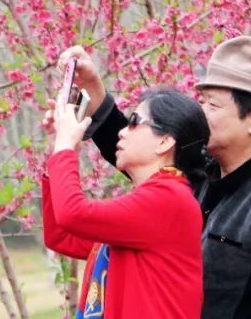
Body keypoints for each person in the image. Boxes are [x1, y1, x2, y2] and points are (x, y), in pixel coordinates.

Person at [62, 36, 251, 319]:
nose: (199, 113)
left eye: (212, 105)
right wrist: (95, 94)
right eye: (201, 101)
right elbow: (141, 151)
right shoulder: (200, 170)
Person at [41, 87, 210, 318]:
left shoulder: (170, 200)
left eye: (134, 121)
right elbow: (62, 236)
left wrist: (65, 148)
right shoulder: (152, 201)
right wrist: (57, 150)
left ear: (165, 141)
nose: (122, 132)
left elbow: (72, 214)